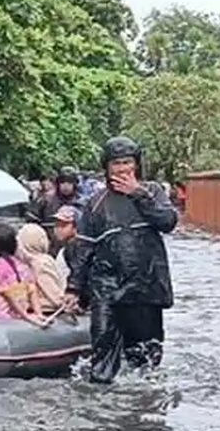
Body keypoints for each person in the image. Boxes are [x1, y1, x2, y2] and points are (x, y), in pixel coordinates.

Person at [65, 136, 177, 385]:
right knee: (102, 361)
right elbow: (83, 249)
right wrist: (73, 288)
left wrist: (139, 194)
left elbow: (168, 222)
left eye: (128, 162)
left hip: (145, 287)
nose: (123, 169)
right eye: (116, 163)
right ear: (106, 167)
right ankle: (101, 416)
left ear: (137, 164)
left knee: (145, 361)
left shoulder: (153, 191)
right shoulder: (95, 204)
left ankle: (142, 414)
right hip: (107, 288)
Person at [17, 223, 66, 314]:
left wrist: (28, 303)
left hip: (47, 312)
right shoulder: (43, 259)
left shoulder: (39, 264)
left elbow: (56, 298)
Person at [30, 166, 84, 249]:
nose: (66, 185)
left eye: (69, 182)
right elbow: (32, 221)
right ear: (58, 183)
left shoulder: (81, 202)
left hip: (73, 246)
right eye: (62, 182)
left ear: (75, 184)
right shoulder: (46, 200)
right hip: (49, 244)